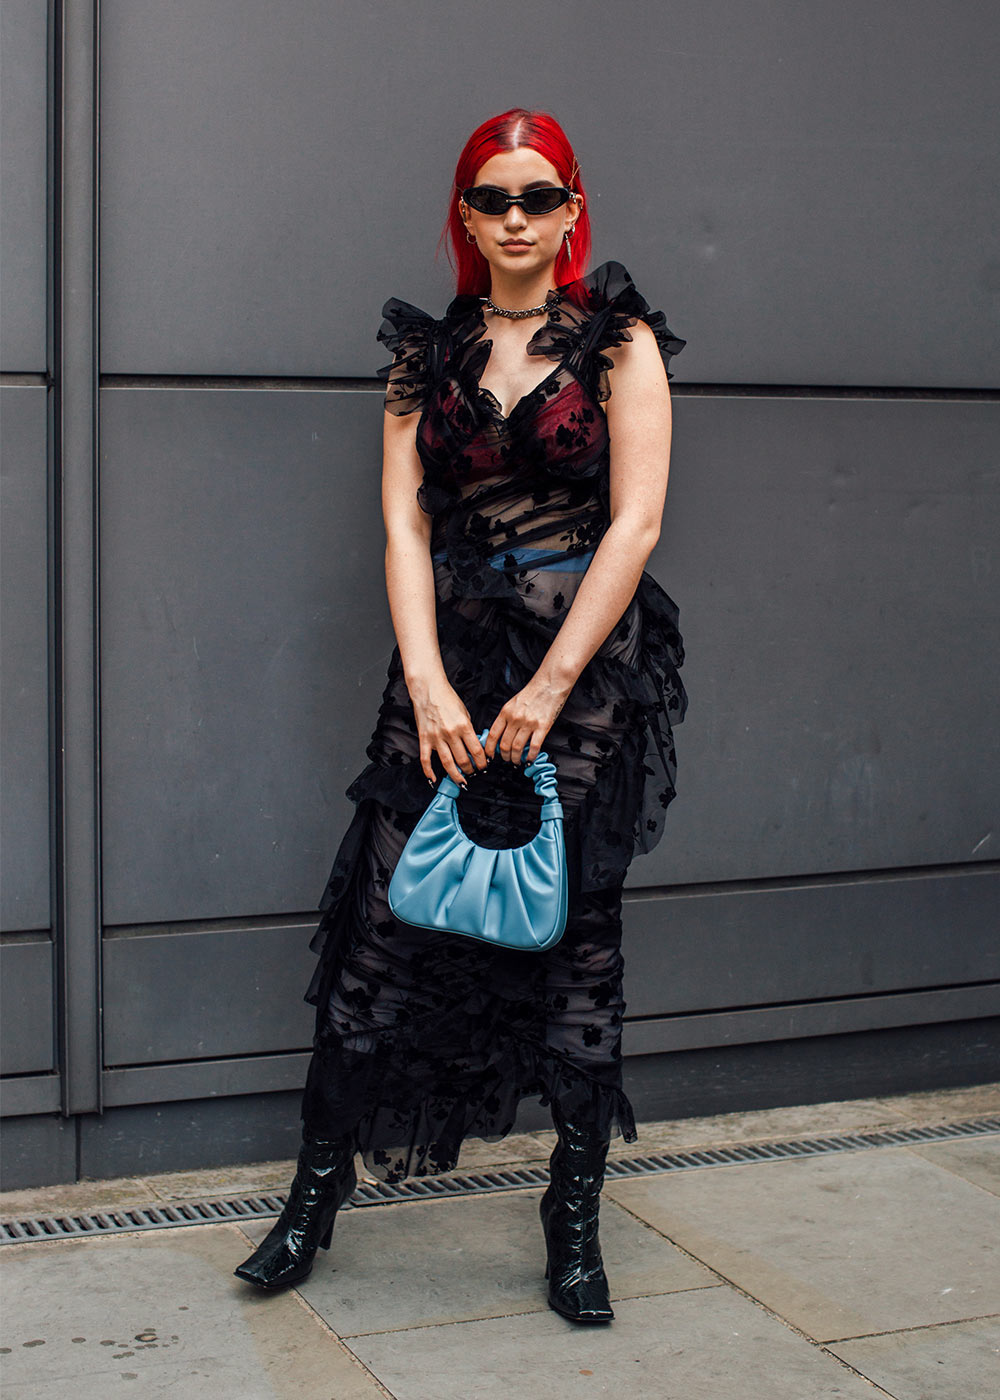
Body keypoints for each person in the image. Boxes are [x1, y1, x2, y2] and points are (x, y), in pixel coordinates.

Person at [235, 107, 688, 1325]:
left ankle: (572, 1224)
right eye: (493, 198)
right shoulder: (422, 356)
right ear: (466, 215)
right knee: (381, 930)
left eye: (537, 196)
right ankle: (312, 1200)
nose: (516, 218)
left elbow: (636, 522)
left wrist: (548, 687)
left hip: (575, 676)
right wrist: (429, 681)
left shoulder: (618, 344)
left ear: (572, 209)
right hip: (444, 671)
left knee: (574, 941)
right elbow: (402, 525)